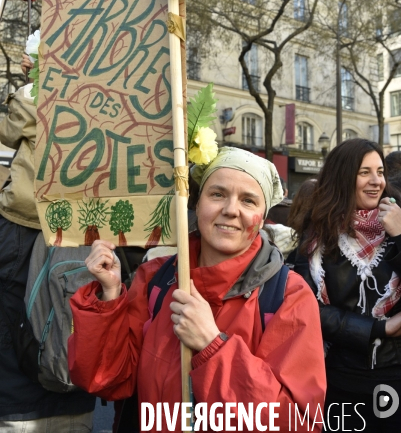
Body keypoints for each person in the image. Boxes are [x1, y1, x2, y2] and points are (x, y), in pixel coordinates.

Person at [68, 147, 326, 432]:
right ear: (197, 203)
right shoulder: (154, 278)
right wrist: (109, 297)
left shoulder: (289, 296)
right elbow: (105, 378)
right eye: (217, 194)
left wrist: (212, 346)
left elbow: (296, 422)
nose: (230, 209)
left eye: (248, 200)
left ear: (263, 216)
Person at [0, 54, 95, 431]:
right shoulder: (117, 93)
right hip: (84, 225)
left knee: (19, 314)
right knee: (70, 307)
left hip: (27, 221)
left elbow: (8, 131)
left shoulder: (40, 90)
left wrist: (32, 85)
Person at [294, 138, 401, 431]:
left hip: (394, 375)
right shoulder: (318, 234)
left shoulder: (398, 221)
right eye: (364, 172)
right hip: (337, 377)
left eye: (380, 171)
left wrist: (400, 236)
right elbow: (306, 308)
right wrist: (379, 328)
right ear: (343, 175)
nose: (376, 181)